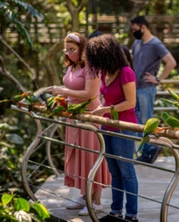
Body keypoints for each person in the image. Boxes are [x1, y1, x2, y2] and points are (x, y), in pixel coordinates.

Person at [49, 32, 111, 216]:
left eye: (73, 49)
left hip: (89, 116)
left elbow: (90, 94)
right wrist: (61, 96)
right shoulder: (72, 66)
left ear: (82, 48)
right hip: (73, 117)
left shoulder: (91, 67)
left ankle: (96, 201)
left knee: (91, 157)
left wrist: (63, 90)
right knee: (77, 156)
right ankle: (84, 195)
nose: (69, 53)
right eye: (66, 50)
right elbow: (72, 91)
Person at [85, 34, 139, 222]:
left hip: (124, 126)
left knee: (126, 170)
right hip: (107, 126)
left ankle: (131, 215)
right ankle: (116, 211)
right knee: (114, 171)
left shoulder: (126, 72)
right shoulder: (104, 73)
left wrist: (105, 109)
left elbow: (131, 103)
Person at [131, 15, 177, 163]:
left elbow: (171, 62)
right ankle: (151, 147)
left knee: (146, 120)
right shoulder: (137, 43)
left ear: (143, 27)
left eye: (135, 29)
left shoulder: (155, 43)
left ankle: (149, 150)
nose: (134, 32)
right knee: (134, 121)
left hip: (147, 89)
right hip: (134, 88)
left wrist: (158, 79)